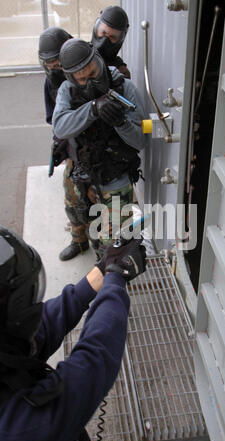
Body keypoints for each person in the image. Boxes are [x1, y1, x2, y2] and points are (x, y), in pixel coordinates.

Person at [0, 225, 146, 441]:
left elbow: (41, 327)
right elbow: (92, 364)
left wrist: (103, 268)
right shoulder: (14, 434)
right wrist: (115, 280)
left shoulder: (5, 346)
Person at [52, 38, 146, 255]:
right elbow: (60, 128)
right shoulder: (67, 90)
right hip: (82, 174)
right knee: (85, 221)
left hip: (116, 179)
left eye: (93, 74)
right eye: (82, 79)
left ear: (99, 63)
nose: (90, 83)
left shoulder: (125, 87)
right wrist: (93, 109)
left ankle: (110, 281)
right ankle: (90, 258)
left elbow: (142, 139)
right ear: (72, 78)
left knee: (115, 245)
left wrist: (120, 123)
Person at [39, 27, 92, 262]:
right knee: (72, 199)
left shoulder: (88, 73)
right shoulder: (50, 84)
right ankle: (79, 241)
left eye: (56, 64)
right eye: (48, 65)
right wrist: (60, 140)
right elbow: (53, 119)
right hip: (73, 151)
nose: (52, 69)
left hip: (99, 150)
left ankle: (107, 250)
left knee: (101, 203)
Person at [92, 5, 131, 79]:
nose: (104, 41)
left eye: (112, 37)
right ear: (96, 29)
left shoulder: (121, 73)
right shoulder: (80, 53)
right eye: (103, 32)